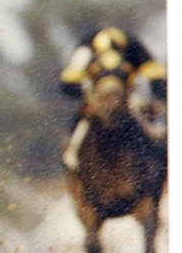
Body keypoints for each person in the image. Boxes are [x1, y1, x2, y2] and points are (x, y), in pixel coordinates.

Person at [59, 26, 167, 170]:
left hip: (128, 96)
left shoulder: (133, 46)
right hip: (96, 98)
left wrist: (158, 98)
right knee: (83, 122)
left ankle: (159, 158)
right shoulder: (86, 49)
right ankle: (72, 156)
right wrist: (85, 96)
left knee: (152, 127)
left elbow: (155, 74)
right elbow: (69, 81)